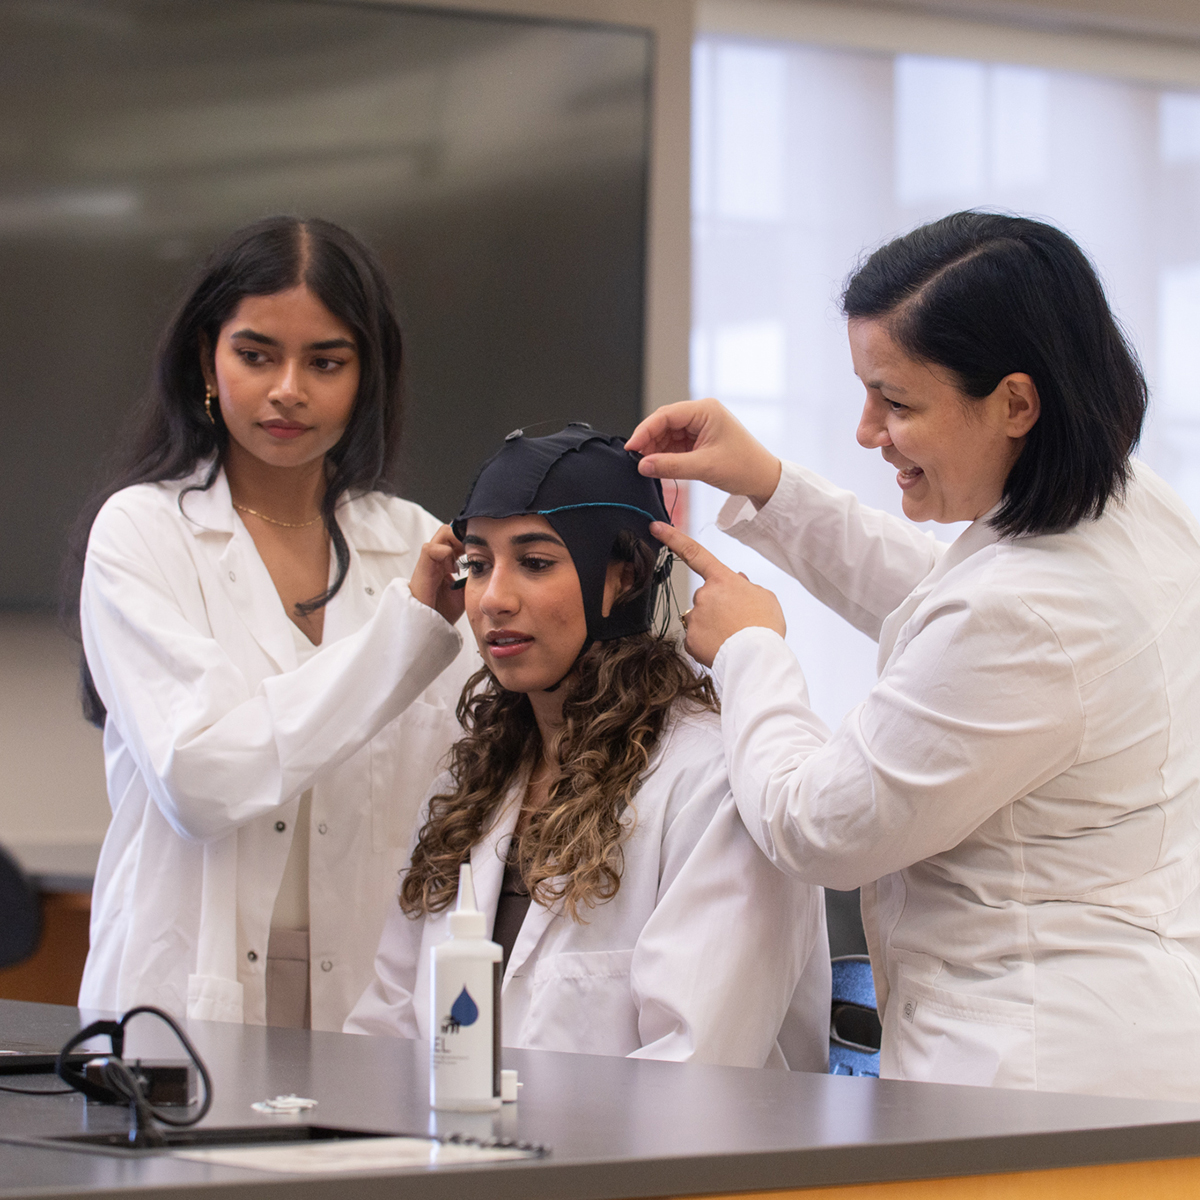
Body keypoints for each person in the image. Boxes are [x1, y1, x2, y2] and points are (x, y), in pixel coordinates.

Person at [626, 211, 1200, 1102]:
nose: (866, 431)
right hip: (1131, 1046)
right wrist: (771, 488)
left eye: (895, 402)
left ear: (1015, 402)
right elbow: (947, 600)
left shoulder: (1025, 612)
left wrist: (749, 652)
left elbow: (821, 827)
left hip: (1031, 1075)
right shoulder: (1127, 503)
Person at [69, 216, 478, 1030]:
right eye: (257, 355)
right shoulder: (143, 532)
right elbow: (203, 777)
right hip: (187, 991)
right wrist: (405, 637)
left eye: (325, 361)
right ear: (207, 360)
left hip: (376, 993)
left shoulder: (414, 543)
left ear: (366, 377)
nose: (288, 388)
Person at [346, 426, 830, 1069]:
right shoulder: (474, 782)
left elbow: (694, 1066)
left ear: (622, 577)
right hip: (465, 1158)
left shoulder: (711, 779)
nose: (493, 600)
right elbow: (389, 1023)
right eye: (478, 564)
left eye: (535, 562)